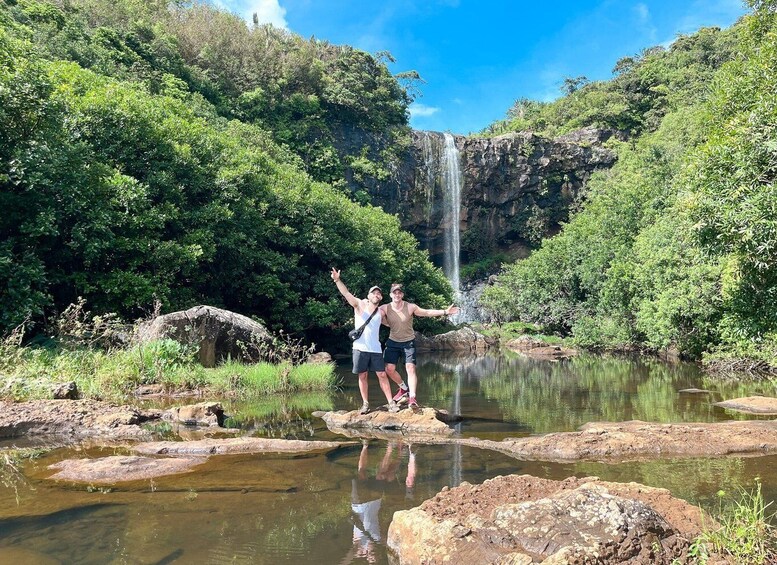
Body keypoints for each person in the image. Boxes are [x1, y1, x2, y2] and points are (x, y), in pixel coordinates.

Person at [331, 268, 400, 414]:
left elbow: (392, 323)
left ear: (381, 298)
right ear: (369, 295)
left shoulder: (381, 312)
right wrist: (337, 280)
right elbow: (346, 293)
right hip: (360, 348)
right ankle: (365, 404)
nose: (377, 295)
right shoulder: (359, 305)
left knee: (382, 374)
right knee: (363, 375)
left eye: (379, 294)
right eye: (374, 293)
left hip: (375, 349)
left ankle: (391, 403)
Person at [381, 283, 459, 408]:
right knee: (389, 369)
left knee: (410, 368)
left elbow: (427, 312)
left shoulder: (410, 307)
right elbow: (374, 316)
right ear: (390, 295)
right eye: (394, 293)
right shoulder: (385, 308)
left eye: (399, 292)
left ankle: (412, 398)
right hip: (393, 342)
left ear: (402, 295)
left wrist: (445, 311)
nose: (397, 295)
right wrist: (386, 322)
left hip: (408, 342)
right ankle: (403, 388)